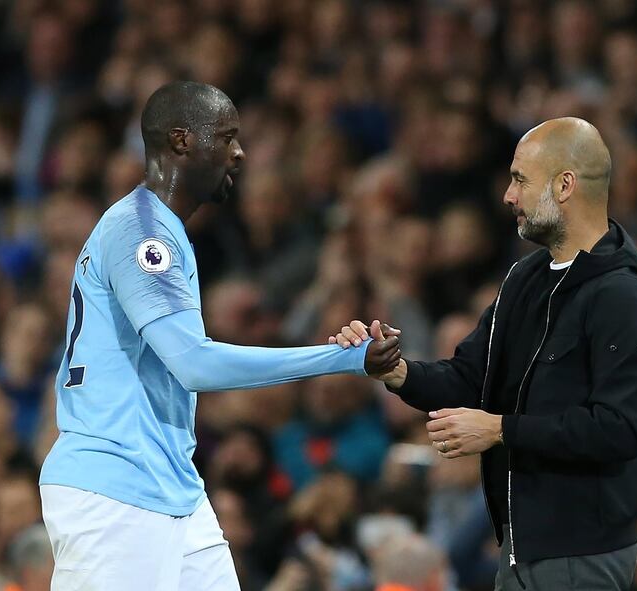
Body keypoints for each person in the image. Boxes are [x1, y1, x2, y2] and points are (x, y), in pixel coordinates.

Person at [38, 81, 401, 591]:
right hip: (113, 489)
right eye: (227, 137)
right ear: (183, 141)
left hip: (173, 488)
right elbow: (195, 364)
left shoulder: (163, 229)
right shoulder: (142, 233)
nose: (239, 152)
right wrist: (339, 358)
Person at [332, 117, 637, 590]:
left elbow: (620, 428)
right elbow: (470, 377)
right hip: (520, 547)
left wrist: (499, 429)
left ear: (565, 185)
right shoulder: (525, 279)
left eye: (520, 179)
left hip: (581, 552)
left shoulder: (621, 296)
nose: (509, 196)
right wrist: (394, 369)